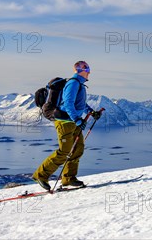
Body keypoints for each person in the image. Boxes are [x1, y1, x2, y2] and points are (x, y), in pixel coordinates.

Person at [32, 60, 101, 190]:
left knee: (77, 148)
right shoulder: (73, 83)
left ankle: (69, 179)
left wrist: (91, 112)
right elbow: (68, 103)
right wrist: (77, 119)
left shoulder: (79, 84)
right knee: (64, 150)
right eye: (87, 69)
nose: (89, 72)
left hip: (73, 121)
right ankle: (41, 175)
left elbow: (79, 104)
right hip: (65, 121)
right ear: (81, 71)